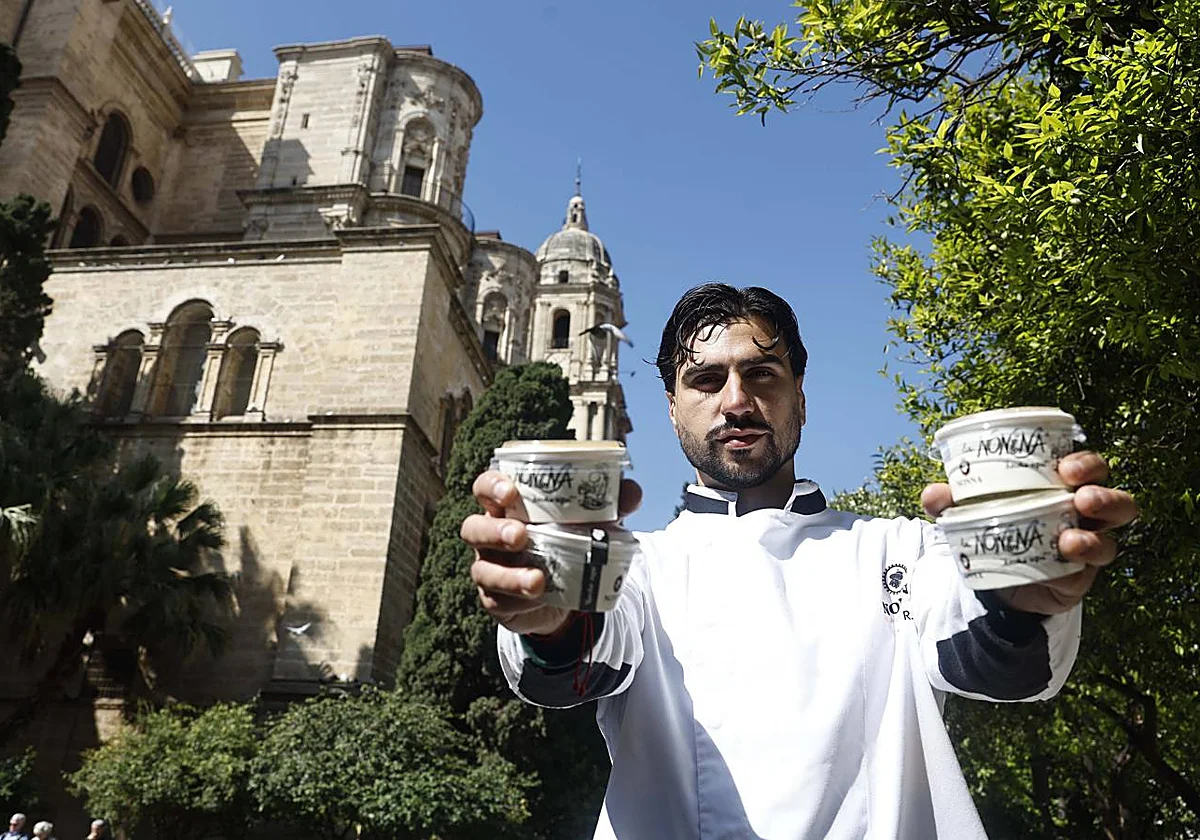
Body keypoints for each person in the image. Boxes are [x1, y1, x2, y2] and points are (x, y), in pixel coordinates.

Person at [462, 283, 1139, 839]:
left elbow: (997, 663)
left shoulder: (903, 549)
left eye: (761, 374)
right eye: (706, 380)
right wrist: (548, 615)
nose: (736, 401)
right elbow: (576, 665)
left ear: (801, 397)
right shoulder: (639, 570)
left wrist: (1019, 593)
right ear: (672, 408)